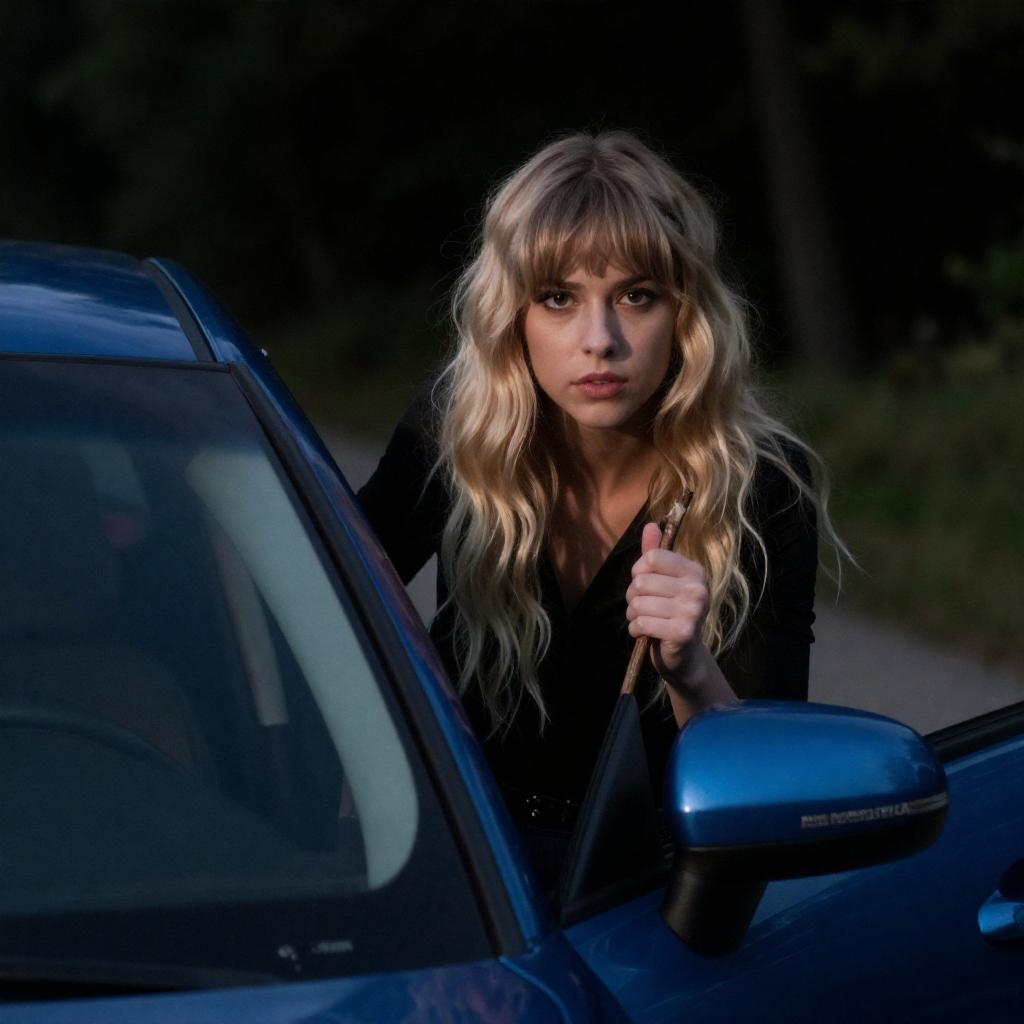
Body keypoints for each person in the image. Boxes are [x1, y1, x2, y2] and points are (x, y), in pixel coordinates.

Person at [358, 130, 841, 839]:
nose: (600, 339)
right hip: (470, 861)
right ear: (513, 314)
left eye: (637, 296)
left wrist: (689, 667)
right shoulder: (456, 438)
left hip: (648, 880)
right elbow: (324, 611)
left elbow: (767, 780)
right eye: (558, 297)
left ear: (685, 313)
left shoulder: (760, 484)